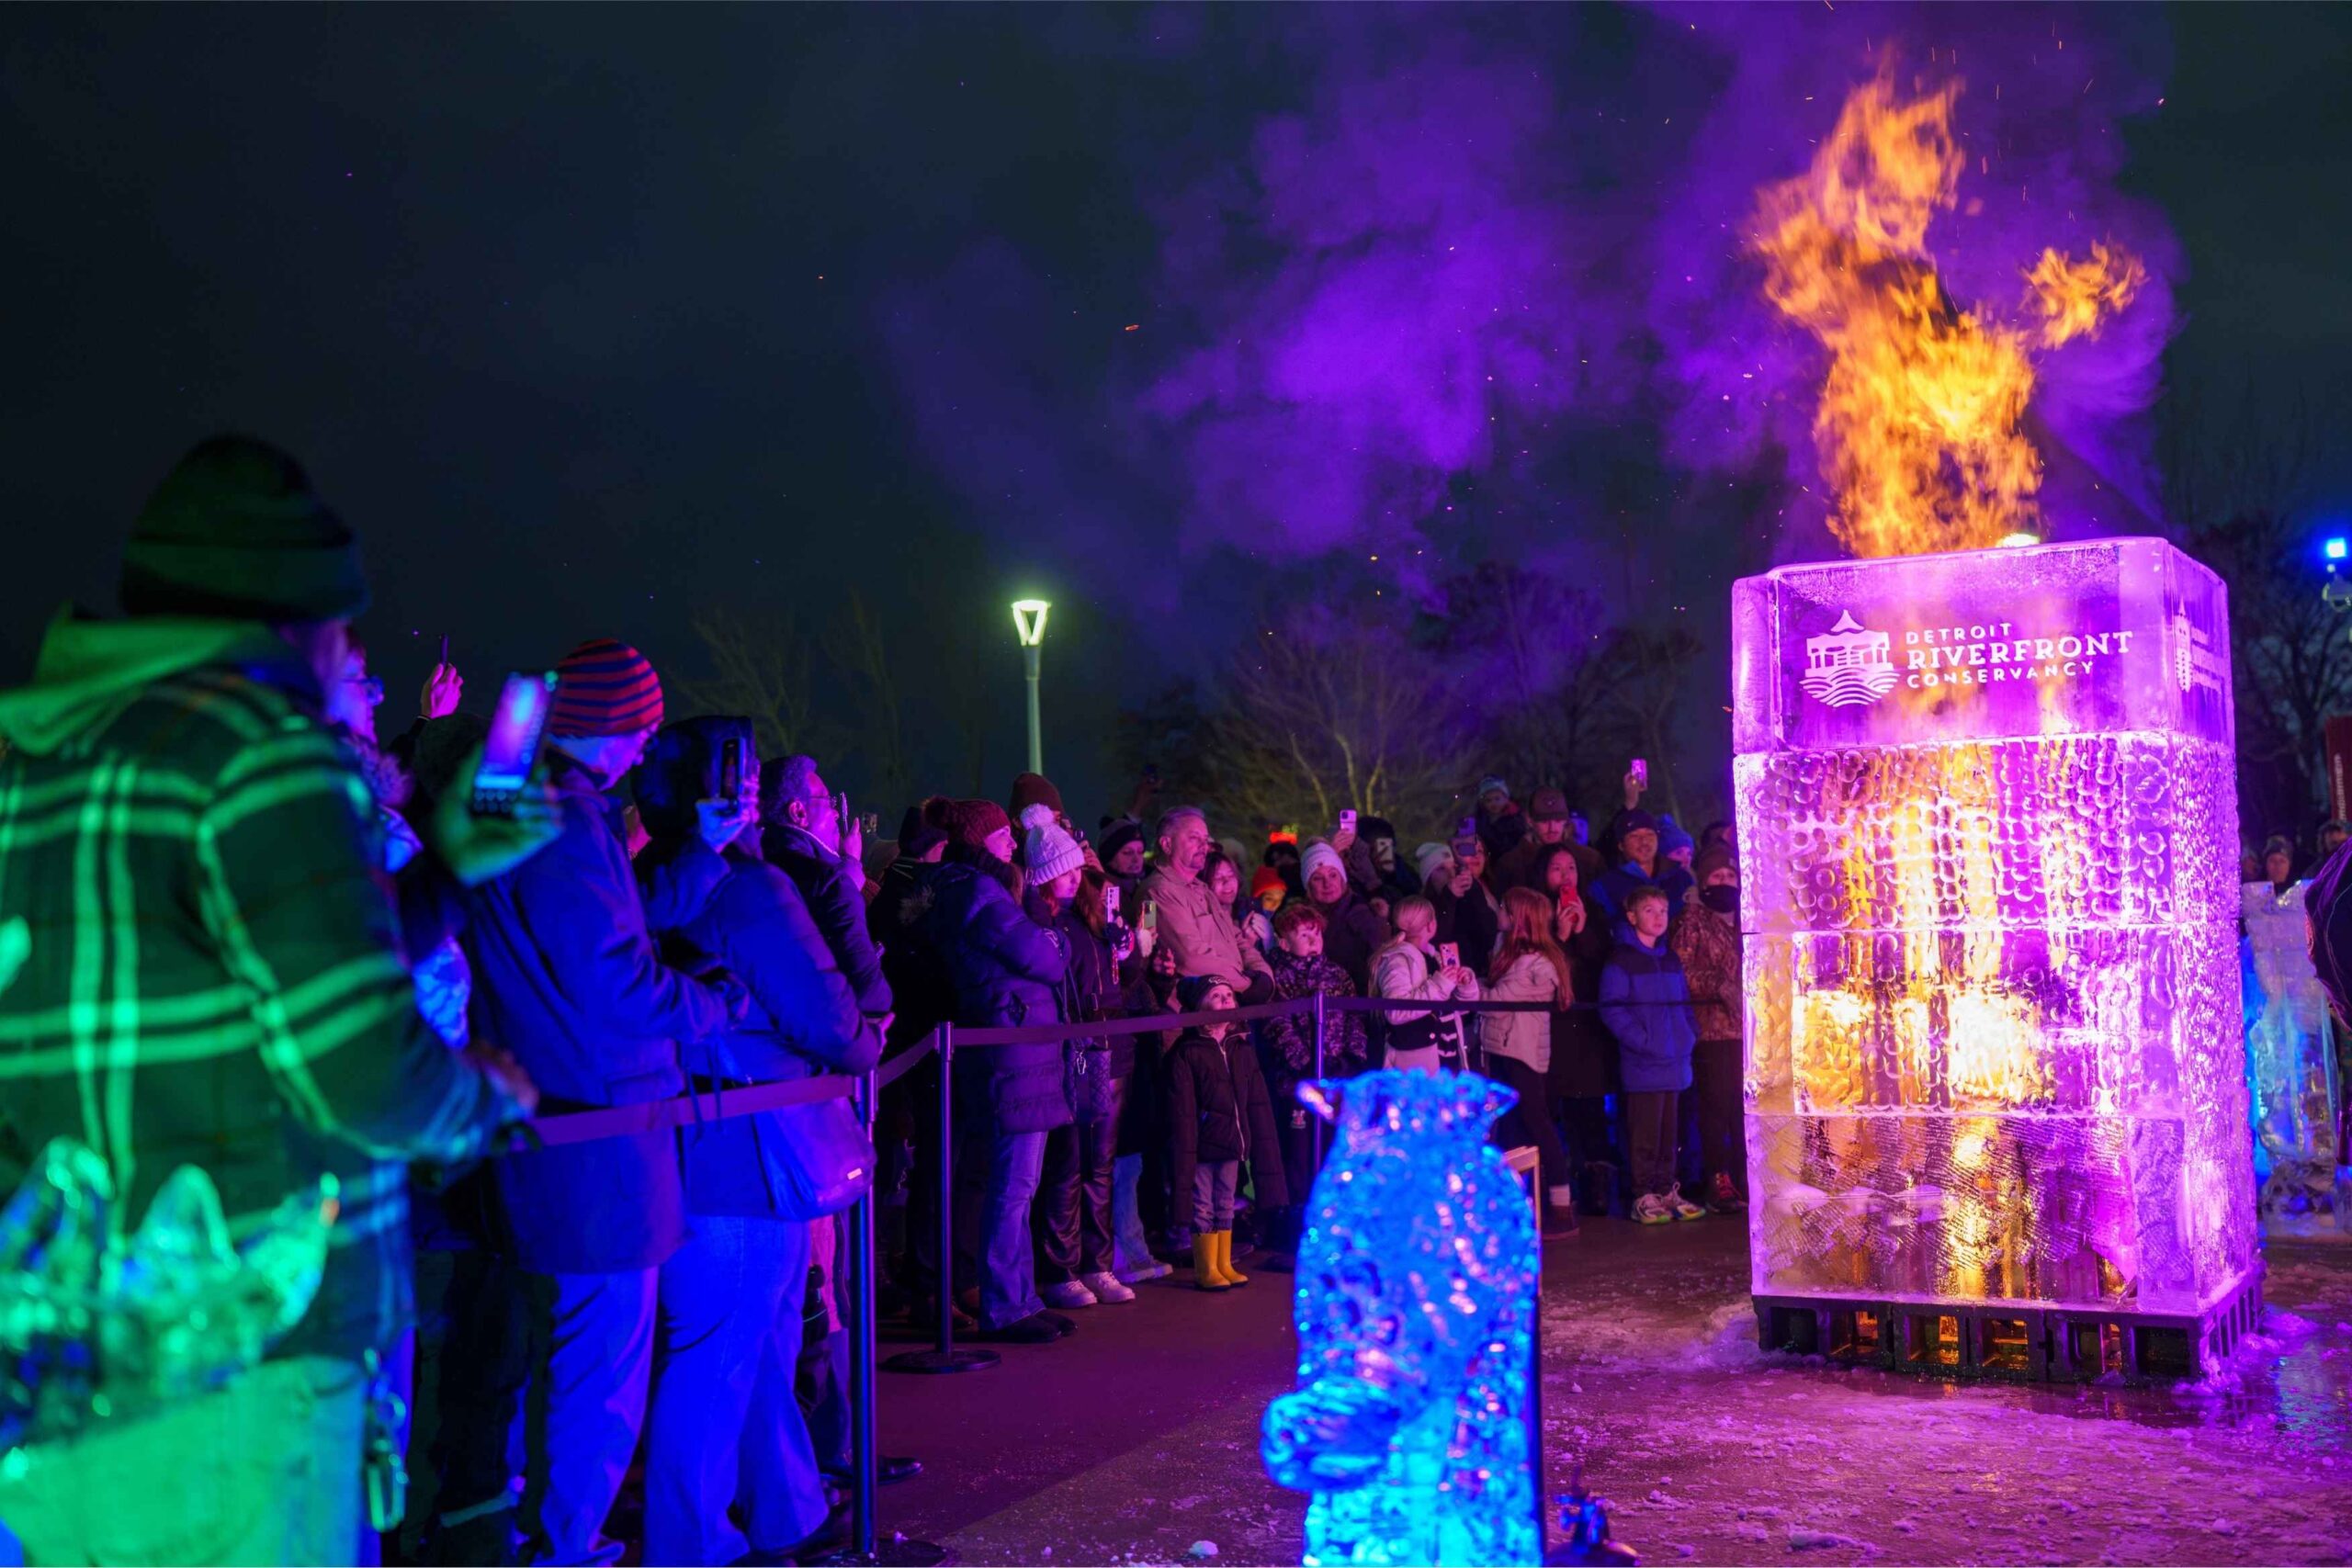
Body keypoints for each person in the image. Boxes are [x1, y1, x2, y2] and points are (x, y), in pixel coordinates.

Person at [0, 436, 549, 1566]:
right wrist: (484, 1096)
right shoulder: (263, 748)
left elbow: (231, 990)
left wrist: (440, 878)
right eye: (346, 626)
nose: (353, 654)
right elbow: (366, 1073)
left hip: (59, 1364)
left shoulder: (35, 752)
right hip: (236, 1350)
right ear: (292, 615)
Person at [462, 636, 744, 1565]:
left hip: (554, 1111)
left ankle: (540, 1533)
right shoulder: (566, 818)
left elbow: (597, 931)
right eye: (641, 725)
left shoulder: (516, 799)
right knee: (601, 1365)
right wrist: (712, 1004)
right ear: (604, 725)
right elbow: (612, 976)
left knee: (561, 1349)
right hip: (602, 1124)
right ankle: (564, 1544)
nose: (648, 745)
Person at [630, 720, 875, 1566]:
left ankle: (787, 1509)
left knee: (755, 1337)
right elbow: (842, 1024)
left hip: (686, 1144)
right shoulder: (749, 889)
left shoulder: (646, 879)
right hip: (746, 1155)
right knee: (719, 1350)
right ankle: (690, 1542)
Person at [922, 800, 1074, 1345]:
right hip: (1013, 1051)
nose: (1012, 844)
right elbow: (1046, 959)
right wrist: (1046, 925)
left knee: (1012, 1182)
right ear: (980, 841)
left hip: (1012, 1048)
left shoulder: (968, 887)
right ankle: (1008, 1305)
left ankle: (1018, 1297)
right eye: (1003, 837)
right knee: (1015, 1184)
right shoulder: (980, 892)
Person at [1023, 808, 1147, 1310]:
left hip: (1111, 1049)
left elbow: (1127, 979)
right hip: (1073, 1051)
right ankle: (1060, 1267)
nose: (1078, 880)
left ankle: (1098, 1263)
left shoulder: (1099, 924)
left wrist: (1130, 947)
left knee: (1101, 1162)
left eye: (1081, 873)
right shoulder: (1052, 924)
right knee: (1068, 1162)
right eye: (1069, 873)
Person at [1165, 976, 1287, 1290]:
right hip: (1204, 1145)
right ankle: (1206, 1268)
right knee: (1202, 1205)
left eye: (1229, 995)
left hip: (1233, 1143)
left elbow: (1255, 1100)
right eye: (1216, 995)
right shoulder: (1187, 1051)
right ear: (1199, 1006)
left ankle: (1222, 1263)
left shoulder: (1240, 1048)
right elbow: (1182, 1111)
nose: (1225, 1000)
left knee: (1225, 1202)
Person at [1259, 903, 1370, 1245]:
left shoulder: (1336, 975)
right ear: (1283, 940)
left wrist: (1352, 1058)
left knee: (1332, 1149)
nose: (1312, 940)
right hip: (1298, 1079)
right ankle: (1296, 1221)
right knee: (1298, 1152)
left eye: (1316, 932)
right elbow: (1277, 1025)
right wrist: (1306, 1063)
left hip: (1335, 1076)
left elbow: (1352, 1019)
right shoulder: (1276, 976)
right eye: (1303, 934)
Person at [1599, 886, 1702, 1225]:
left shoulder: (1670, 958)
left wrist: (1689, 1034)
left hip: (1675, 1061)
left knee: (1669, 1132)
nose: (1658, 917)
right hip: (1644, 1063)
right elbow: (1613, 1010)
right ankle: (1643, 1194)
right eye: (1649, 910)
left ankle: (1665, 1190)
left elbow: (1684, 1003)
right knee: (1645, 1131)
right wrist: (1644, 1041)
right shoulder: (1621, 961)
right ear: (1632, 916)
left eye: (1663, 910)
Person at [1480, 888, 1580, 1236]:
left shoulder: (1534, 965)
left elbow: (1496, 999)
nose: (1500, 912)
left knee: (1536, 1123)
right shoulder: (1516, 955)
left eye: (1505, 908)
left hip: (1519, 1051)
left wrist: (1462, 985)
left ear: (1520, 918)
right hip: (1508, 1048)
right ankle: (1521, 1205)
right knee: (1514, 1128)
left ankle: (1561, 1206)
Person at [1535, 843, 1622, 1215]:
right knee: (1557, 1108)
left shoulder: (1595, 909)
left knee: (1590, 1107)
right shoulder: (1535, 911)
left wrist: (1583, 930)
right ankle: (1560, 1190)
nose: (1565, 876)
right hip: (1551, 1027)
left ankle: (1597, 1188)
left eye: (1570, 868)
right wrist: (1560, 934)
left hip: (1586, 1026)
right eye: (1557, 868)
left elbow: (1604, 960)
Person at [1670, 845, 1746, 1215]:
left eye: (1729, 876)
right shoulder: (1693, 921)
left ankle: (1746, 1177)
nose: (1724, 882)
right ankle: (1718, 1179)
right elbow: (1681, 970)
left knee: (1743, 1108)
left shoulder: (1746, 919)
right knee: (1716, 1108)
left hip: (1747, 1031)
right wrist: (1718, 983)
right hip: (1712, 1031)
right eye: (1717, 877)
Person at [1142, 806, 1274, 1001]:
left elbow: (1236, 938)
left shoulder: (1202, 889)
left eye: (1205, 839)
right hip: (1191, 1018)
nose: (1203, 846)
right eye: (1194, 838)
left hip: (1226, 1012)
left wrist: (1263, 974)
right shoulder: (1158, 892)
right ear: (1166, 844)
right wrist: (1246, 985)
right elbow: (1191, 958)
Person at [1372, 896, 1482, 1074]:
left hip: (1449, 1052)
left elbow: (1462, 1007)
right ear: (1431, 925)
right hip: (1416, 1064)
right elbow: (1395, 1011)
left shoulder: (1436, 957)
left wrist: (1465, 984)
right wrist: (1440, 986)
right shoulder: (1396, 960)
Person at [1301, 838, 1387, 992]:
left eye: (1333, 875)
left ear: (1342, 878)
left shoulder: (1360, 915)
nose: (1327, 884)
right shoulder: (1301, 919)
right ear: (1308, 885)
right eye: (1317, 878)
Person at [1593, 808, 1694, 937]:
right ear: (1621, 845)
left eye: (1649, 834)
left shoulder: (1681, 878)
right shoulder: (1605, 886)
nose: (1644, 842)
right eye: (1634, 836)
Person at [1495, 787, 1604, 892]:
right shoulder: (1510, 864)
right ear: (1529, 821)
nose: (1552, 828)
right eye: (1544, 822)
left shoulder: (1590, 861)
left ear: (1565, 821)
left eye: (1557, 820)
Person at [1427, 831, 1502, 969]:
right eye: (1466, 848)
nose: (1475, 854)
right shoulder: (1431, 902)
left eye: (1480, 850)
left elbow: (1488, 935)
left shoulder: (1494, 888)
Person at [1475, 774, 1528, 861]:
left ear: (1506, 798)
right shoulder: (1478, 821)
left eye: (1497, 799)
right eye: (1488, 800)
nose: (1493, 803)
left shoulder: (1517, 819)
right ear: (1483, 803)